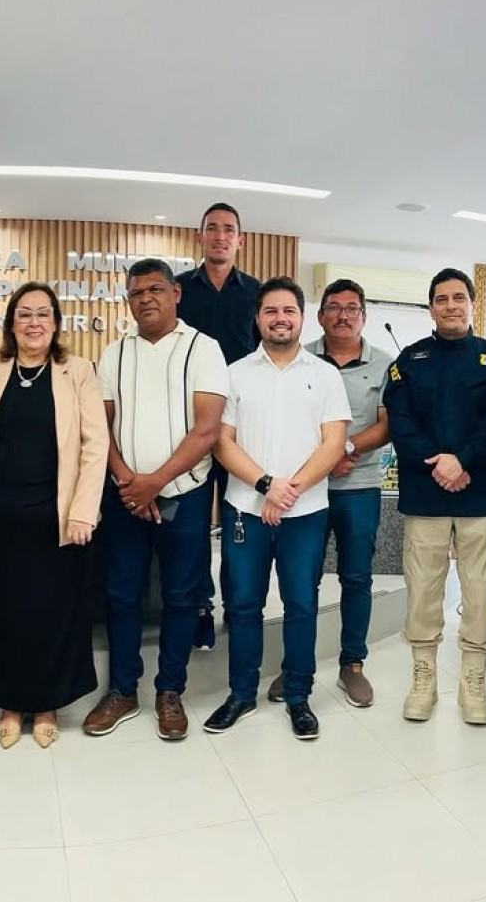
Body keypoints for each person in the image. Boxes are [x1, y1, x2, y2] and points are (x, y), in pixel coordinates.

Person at [81, 259, 228, 741]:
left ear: (175, 294)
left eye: (155, 290)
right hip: (125, 497)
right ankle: (123, 691)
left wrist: (156, 481)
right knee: (121, 594)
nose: (146, 299)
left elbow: (207, 429)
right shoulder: (114, 353)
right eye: (136, 293)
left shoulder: (203, 348)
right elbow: (101, 425)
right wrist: (129, 482)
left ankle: (170, 692)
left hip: (185, 495)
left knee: (181, 595)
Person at [203, 277, 350, 740]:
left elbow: (334, 443)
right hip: (244, 510)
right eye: (271, 311)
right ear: (258, 318)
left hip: (305, 513)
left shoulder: (324, 374)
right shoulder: (235, 372)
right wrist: (266, 485)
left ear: (302, 318)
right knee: (243, 604)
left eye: (289, 310)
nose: (280, 318)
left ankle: (298, 695)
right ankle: (241, 694)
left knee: (301, 603)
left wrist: (288, 492)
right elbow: (222, 442)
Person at [0, 282, 104, 748]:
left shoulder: (77, 371)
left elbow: (95, 444)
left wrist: (83, 511)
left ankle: (46, 705)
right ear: (11, 324)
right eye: (24, 314)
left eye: (43, 314)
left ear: (56, 323)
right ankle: (9, 703)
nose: (34, 323)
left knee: (51, 614)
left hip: (57, 520)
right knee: (4, 613)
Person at [382, 268, 486, 725]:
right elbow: (400, 423)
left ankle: (473, 681)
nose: (451, 305)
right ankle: (424, 679)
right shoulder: (409, 360)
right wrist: (440, 465)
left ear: (472, 304)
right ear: (431, 308)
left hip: (480, 493)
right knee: (422, 590)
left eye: (459, 297)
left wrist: (463, 460)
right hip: (426, 493)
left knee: (480, 591)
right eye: (442, 299)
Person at [267, 279, 392, 707]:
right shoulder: (300, 358)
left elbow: (387, 424)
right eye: (334, 307)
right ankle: (295, 667)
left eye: (352, 308)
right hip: (306, 488)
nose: (343, 315)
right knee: (303, 580)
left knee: (356, 577)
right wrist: (322, 461)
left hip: (359, 485)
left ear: (363, 316)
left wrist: (345, 449)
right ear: (319, 317)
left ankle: (352, 664)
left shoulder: (384, 364)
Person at [174, 202, 260, 650]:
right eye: (212, 228)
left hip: (240, 427)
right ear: (200, 236)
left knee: (236, 518)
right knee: (191, 524)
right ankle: (200, 607)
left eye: (229, 229)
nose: (220, 236)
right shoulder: (179, 290)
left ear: (240, 240)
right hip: (190, 422)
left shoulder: (256, 293)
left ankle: (237, 606)